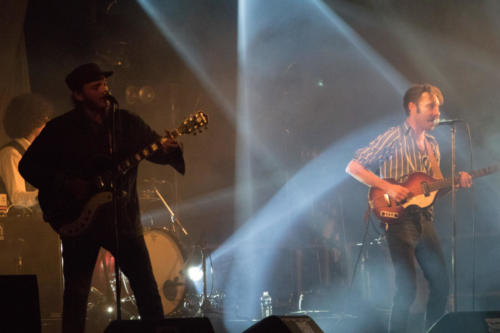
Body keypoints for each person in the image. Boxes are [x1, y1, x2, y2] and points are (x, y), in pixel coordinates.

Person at [19, 63, 185, 332]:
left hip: (123, 219)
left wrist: (171, 149)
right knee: (76, 294)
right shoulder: (61, 128)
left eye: (105, 85)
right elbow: (27, 166)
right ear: (78, 94)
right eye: (95, 87)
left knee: (146, 288)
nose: (104, 90)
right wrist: (66, 183)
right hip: (79, 220)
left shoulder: (128, 123)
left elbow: (157, 152)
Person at [345, 83, 473, 333]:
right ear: (413, 108)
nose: (437, 112)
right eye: (431, 106)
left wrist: (456, 182)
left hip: (424, 220)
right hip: (398, 220)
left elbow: (430, 192)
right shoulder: (394, 136)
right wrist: (388, 187)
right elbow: (353, 167)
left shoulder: (433, 145)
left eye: (438, 107)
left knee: (441, 284)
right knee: (407, 289)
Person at [0, 93, 52, 211]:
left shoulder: (36, 154)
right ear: (33, 121)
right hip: (19, 226)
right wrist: (50, 192)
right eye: (44, 119)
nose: (48, 123)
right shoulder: (10, 154)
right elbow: (17, 199)